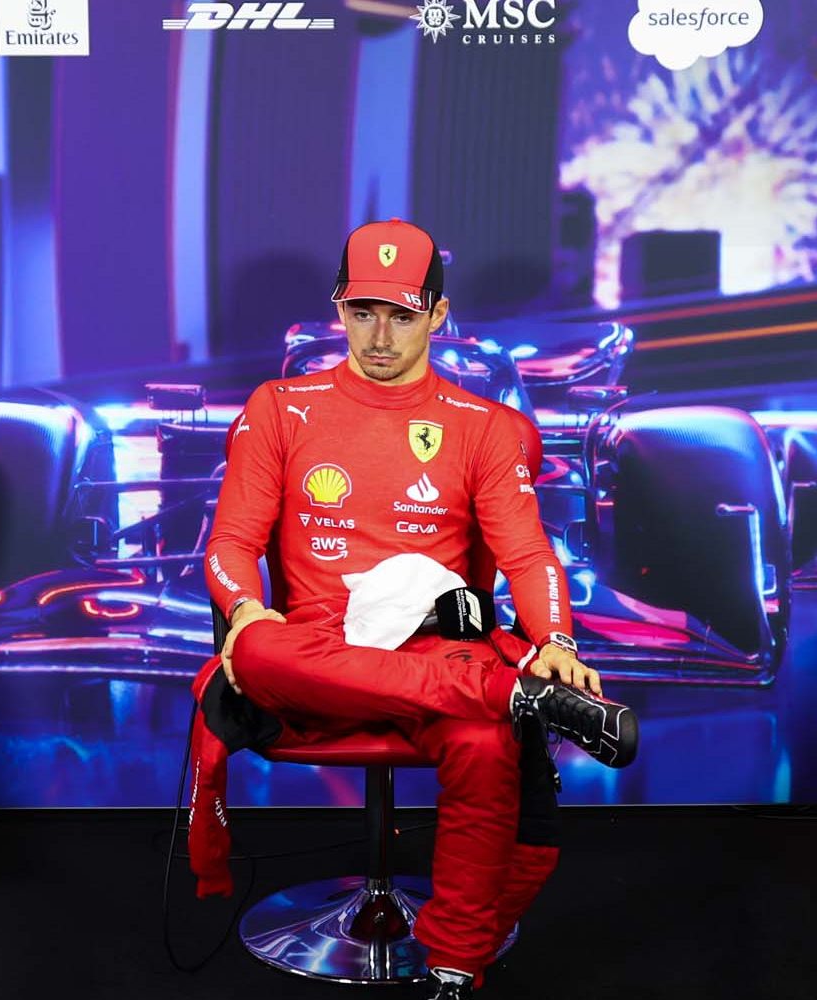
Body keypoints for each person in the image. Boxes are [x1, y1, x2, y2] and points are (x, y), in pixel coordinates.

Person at [192, 219, 638, 999]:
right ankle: (515, 693)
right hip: (314, 656)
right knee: (255, 651)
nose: (379, 335)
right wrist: (246, 609)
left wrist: (556, 638)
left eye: (402, 314)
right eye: (363, 311)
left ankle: (455, 967)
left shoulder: (486, 427)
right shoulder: (278, 407)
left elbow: (529, 554)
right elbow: (229, 544)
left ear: (437, 314)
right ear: (338, 308)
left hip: (432, 650)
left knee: (489, 745)